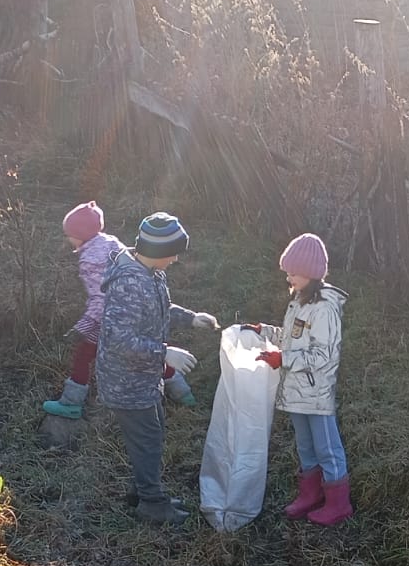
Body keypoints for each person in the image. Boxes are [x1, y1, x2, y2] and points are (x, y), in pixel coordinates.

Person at [95, 212, 219, 525]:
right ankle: (151, 503)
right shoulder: (128, 283)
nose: (176, 258)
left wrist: (190, 317)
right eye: (174, 252)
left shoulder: (151, 273)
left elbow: (161, 307)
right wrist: (165, 354)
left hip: (144, 378)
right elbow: (118, 339)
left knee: (154, 431)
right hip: (125, 381)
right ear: (158, 251)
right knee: (148, 438)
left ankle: (140, 491)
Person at [42, 202, 196, 419]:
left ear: (81, 234)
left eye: (70, 234)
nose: (68, 239)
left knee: (83, 355)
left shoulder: (89, 261)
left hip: (112, 318)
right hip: (136, 308)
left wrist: (83, 327)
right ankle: (182, 392)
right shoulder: (109, 242)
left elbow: (101, 299)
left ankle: (71, 403)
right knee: (149, 354)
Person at [242, 233, 352, 526]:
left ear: (311, 273)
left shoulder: (325, 307)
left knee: (327, 447)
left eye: (292, 272)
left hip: (315, 393)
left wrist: (284, 360)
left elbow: (323, 355)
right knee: (305, 445)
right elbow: (292, 339)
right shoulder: (299, 301)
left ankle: (338, 503)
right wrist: (264, 331)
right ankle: (311, 494)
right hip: (295, 391)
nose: (288, 277)